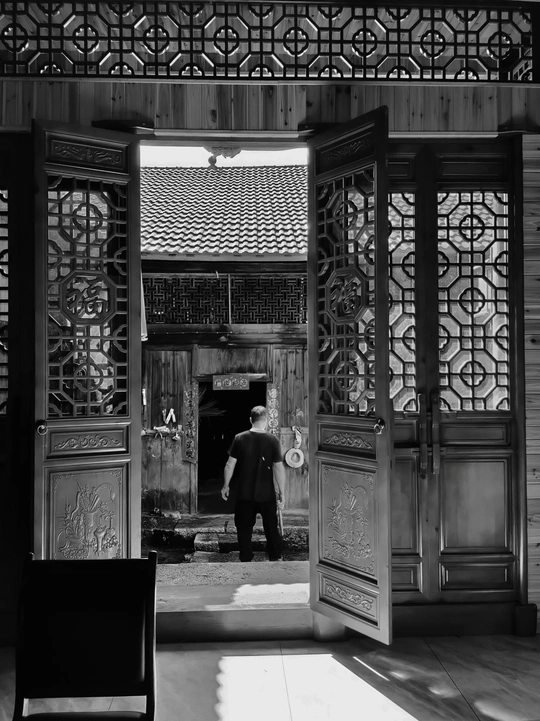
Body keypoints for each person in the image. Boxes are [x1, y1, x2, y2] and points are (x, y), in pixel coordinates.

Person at [221, 405, 285, 562]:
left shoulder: (239, 438)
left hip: (244, 494)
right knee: (271, 528)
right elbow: (278, 468)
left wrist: (225, 485)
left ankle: (246, 558)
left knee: (243, 528)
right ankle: (275, 557)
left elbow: (229, 465)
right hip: (267, 494)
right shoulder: (273, 440)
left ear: (251, 420)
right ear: (266, 420)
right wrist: (282, 493)